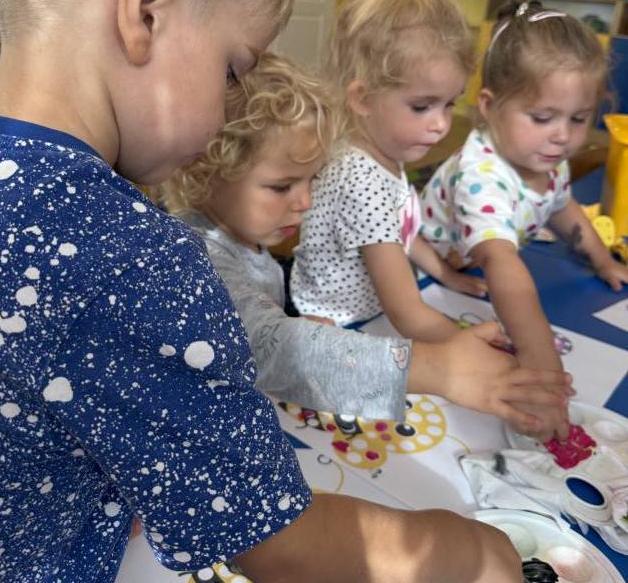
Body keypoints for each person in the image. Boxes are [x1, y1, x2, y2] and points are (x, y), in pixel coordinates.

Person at [0, 0, 530, 583]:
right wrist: (464, 544)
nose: (230, 109)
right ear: (146, 8)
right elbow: (278, 542)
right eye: (233, 69)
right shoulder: (127, 253)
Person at [162, 52, 571, 429]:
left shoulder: (240, 231)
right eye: (281, 186)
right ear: (203, 171)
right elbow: (266, 349)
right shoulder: (196, 259)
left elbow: (256, 327)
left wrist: (290, 324)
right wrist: (440, 368)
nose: (305, 202)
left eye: (311, 180)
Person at [419, 0, 628, 383]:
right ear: (488, 105)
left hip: (471, 264)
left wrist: (603, 261)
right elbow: (500, 259)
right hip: (423, 269)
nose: (562, 136)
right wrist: (539, 358)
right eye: (543, 117)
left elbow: (562, 207)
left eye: (578, 118)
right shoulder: (481, 174)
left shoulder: (545, 155)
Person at [291, 0, 488, 343]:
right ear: (363, 98)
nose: (441, 124)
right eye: (422, 106)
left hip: (370, 313)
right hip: (338, 329)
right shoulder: (361, 180)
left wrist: (446, 274)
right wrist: (469, 346)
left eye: (449, 104)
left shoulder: (382, 153)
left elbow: (400, 231)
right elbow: (405, 311)